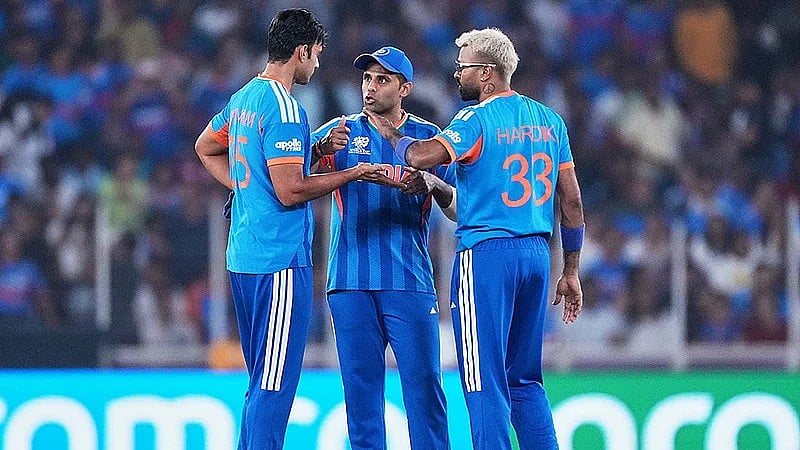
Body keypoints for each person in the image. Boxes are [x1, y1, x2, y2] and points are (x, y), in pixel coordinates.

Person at [363, 28, 585, 450]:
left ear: (486, 74)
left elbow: (421, 155)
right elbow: (571, 202)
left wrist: (393, 134)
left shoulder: (475, 119)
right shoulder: (550, 120)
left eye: (463, 67)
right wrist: (570, 269)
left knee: (484, 378)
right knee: (524, 378)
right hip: (538, 255)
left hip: (486, 256)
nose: (456, 75)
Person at [194, 9, 389, 450]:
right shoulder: (284, 106)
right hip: (279, 262)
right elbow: (290, 190)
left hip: (243, 259)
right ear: (301, 51)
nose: (317, 64)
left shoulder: (245, 97)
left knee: (261, 382)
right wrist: (353, 173)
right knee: (275, 386)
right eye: (316, 54)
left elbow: (206, 147)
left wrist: (250, 184)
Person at [310, 46, 454, 450]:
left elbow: (461, 208)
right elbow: (293, 185)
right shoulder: (338, 132)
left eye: (382, 79)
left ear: (405, 88)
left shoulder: (430, 139)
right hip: (350, 282)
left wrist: (436, 184)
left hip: (409, 281)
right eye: (367, 79)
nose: (370, 87)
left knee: (425, 393)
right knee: (362, 400)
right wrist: (319, 150)